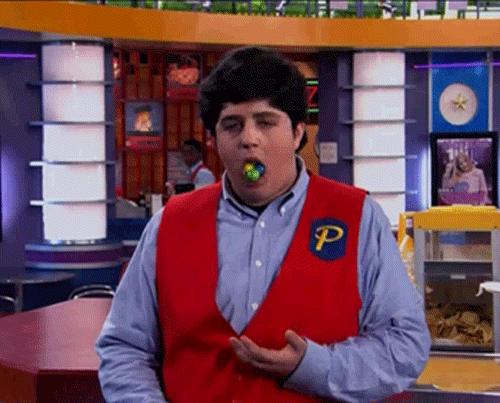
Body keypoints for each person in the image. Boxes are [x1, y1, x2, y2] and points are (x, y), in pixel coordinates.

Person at [96, 46, 431, 403]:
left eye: (266, 122)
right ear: (214, 138)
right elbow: (125, 347)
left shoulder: (358, 218)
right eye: (232, 125)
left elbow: (406, 346)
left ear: (298, 133)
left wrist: (315, 367)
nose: (249, 139)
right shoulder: (170, 223)